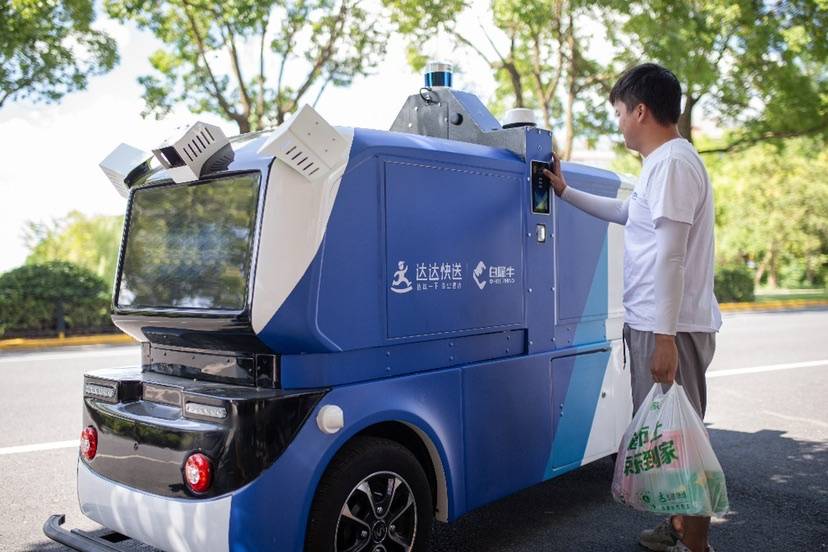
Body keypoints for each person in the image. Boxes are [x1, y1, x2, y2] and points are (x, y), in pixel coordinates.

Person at [543, 63, 722, 552]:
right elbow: (626, 214)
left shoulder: (673, 165)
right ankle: (678, 525)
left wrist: (663, 338)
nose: (618, 122)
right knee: (669, 439)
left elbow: (672, 253)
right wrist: (564, 191)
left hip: (672, 329)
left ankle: (697, 544)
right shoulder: (661, 165)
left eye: (620, 112)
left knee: (683, 442)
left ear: (641, 111)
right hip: (658, 324)